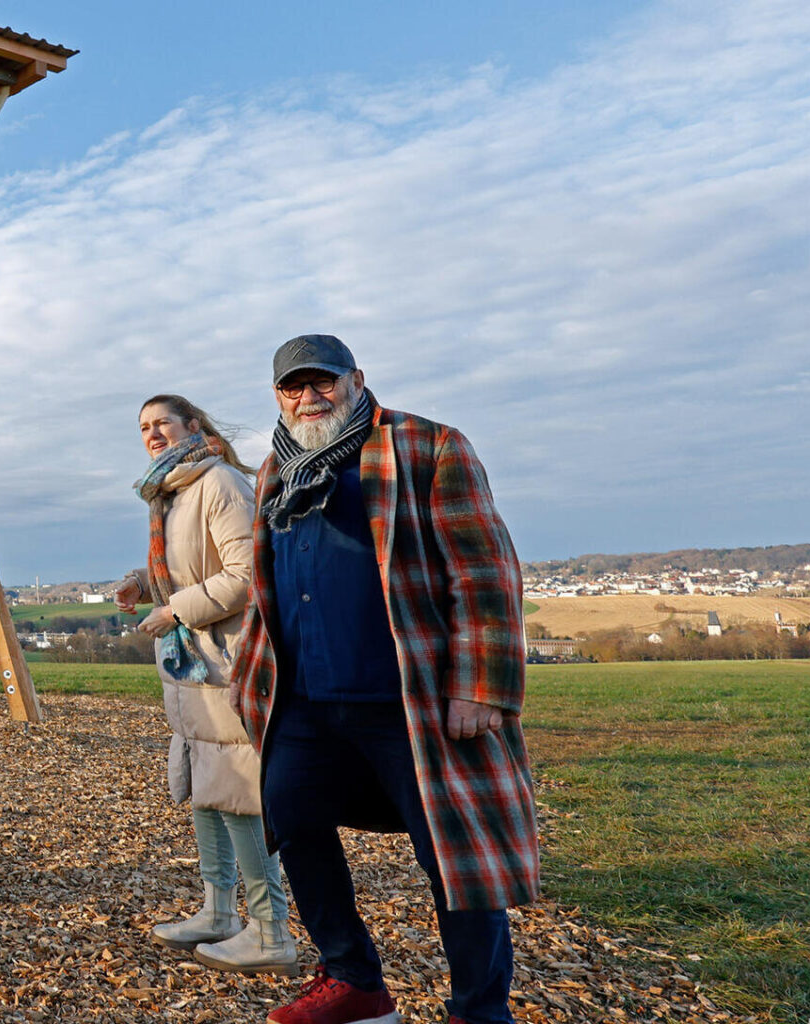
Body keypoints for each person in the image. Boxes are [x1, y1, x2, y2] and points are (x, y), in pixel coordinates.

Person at [229, 335, 538, 1024]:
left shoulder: (428, 445)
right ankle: (355, 983)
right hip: (305, 701)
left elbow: (485, 569)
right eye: (293, 387)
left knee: (456, 861)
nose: (310, 397)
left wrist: (481, 685)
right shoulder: (273, 470)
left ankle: (479, 1011)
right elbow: (268, 584)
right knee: (290, 820)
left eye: (324, 382)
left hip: (411, 697)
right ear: (278, 396)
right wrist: (247, 679)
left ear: (357, 379)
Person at [112, 394, 299, 975]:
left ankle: (270, 932)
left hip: (226, 660)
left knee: (239, 793)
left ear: (194, 426)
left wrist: (175, 611)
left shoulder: (217, 483)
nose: (152, 433)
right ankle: (218, 911)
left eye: (162, 422)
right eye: (144, 427)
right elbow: (193, 566)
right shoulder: (172, 491)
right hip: (194, 665)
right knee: (206, 787)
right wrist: (143, 584)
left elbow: (247, 574)